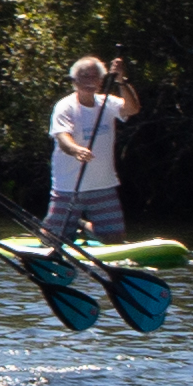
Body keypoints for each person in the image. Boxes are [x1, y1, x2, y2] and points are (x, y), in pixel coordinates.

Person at [46, 55, 141, 245]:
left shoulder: (107, 102)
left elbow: (132, 109)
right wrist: (76, 150)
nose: (90, 81)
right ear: (74, 80)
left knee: (114, 239)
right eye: (85, 77)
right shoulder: (65, 107)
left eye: (95, 77)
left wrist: (121, 80)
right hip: (69, 186)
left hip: (102, 185)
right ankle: (59, 229)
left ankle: (86, 227)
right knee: (52, 241)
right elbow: (63, 137)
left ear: (101, 81)